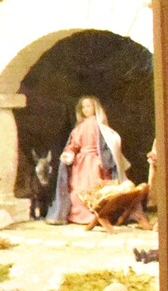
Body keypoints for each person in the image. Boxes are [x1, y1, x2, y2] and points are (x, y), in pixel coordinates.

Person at [49, 96, 125, 226]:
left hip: (95, 162)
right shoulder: (79, 128)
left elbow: (108, 143)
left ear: (95, 107)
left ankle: (95, 215)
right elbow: (74, 144)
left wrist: (103, 158)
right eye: (83, 107)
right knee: (78, 188)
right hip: (80, 163)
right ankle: (78, 215)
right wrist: (70, 152)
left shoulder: (100, 126)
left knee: (94, 187)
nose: (85, 109)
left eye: (88, 106)